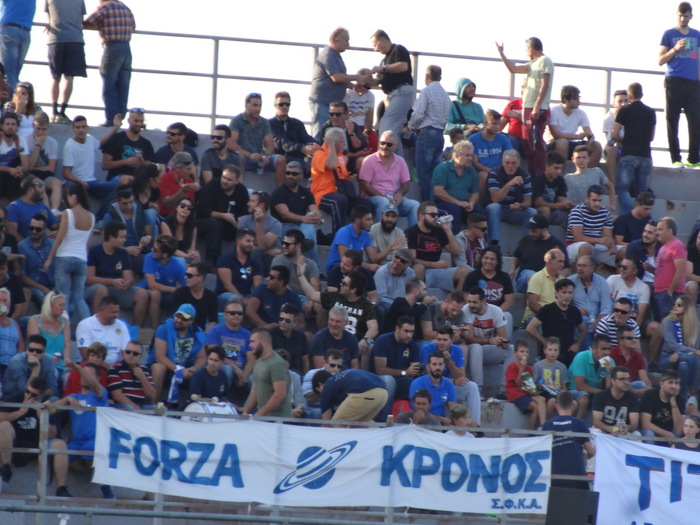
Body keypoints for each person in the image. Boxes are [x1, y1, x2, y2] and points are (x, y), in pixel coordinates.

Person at [0, 377, 73, 498]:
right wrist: (20, 412)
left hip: (36, 442)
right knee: (4, 425)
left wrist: (42, 416)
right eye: (27, 391)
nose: (28, 396)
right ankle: (6, 466)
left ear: (40, 396)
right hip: (14, 440)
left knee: (60, 445)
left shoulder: (45, 405)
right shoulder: (16, 398)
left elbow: (52, 433)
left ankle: (61, 487)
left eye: (33, 395)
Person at [50, 361, 112, 498]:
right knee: (62, 455)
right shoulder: (74, 397)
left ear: (97, 378)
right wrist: (67, 399)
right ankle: (62, 489)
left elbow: (94, 384)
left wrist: (78, 368)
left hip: (95, 440)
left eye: (88, 374)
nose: (84, 377)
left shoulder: (100, 395)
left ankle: (105, 484)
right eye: (82, 374)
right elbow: (51, 409)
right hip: (77, 443)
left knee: (89, 450)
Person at [495, 37, 554, 176]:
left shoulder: (545, 60)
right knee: (528, 144)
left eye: (527, 49)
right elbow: (513, 69)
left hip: (536, 108)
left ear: (531, 48)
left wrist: (537, 106)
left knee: (535, 144)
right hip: (527, 108)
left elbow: (545, 85)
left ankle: (539, 175)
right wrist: (501, 53)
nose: (526, 52)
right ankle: (532, 174)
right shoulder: (532, 64)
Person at [298, 264, 377, 365]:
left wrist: (365, 340)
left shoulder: (366, 305)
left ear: (353, 290)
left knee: (370, 345)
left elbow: (374, 328)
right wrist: (300, 276)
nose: (340, 284)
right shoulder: (335, 297)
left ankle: (362, 373)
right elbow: (312, 294)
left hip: (352, 344)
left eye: (344, 284)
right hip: (332, 338)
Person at [44, 183, 93, 324]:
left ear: (74, 197)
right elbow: (87, 244)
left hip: (64, 258)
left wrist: (49, 259)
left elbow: (59, 238)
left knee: (63, 297)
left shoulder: (68, 213)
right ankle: (89, 327)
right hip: (81, 260)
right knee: (79, 298)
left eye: (67, 197)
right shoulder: (91, 216)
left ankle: (63, 328)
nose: (65, 201)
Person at [659, 2, 700, 167]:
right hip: (674, 81)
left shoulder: (697, 35)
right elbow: (660, 60)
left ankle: (694, 159)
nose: (683, 19)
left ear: (691, 16)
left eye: (686, 16)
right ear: (677, 15)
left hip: (692, 83)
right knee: (672, 121)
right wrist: (675, 49)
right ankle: (676, 158)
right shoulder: (668, 34)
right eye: (681, 16)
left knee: (695, 121)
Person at [85, 220, 149, 325]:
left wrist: (127, 282)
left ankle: (135, 329)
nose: (125, 240)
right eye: (121, 237)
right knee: (101, 290)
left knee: (142, 293)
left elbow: (128, 276)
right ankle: (96, 325)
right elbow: (89, 278)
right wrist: (112, 281)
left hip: (116, 287)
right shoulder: (95, 251)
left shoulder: (123, 253)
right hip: (97, 287)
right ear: (111, 237)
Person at [83, 0, 136, 126]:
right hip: (126, 48)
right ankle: (120, 117)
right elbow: (133, 26)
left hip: (112, 47)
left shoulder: (104, 8)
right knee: (123, 86)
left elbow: (88, 22)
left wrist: (99, 27)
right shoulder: (125, 8)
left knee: (109, 84)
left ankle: (112, 119)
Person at [310, 127, 371, 231]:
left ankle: (361, 234)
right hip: (323, 195)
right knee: (339, 201)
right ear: (334, 142)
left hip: (340, 193)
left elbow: (341, 176)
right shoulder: (319, 154)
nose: (344, 144)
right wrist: (331, 146)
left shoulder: (341, 156)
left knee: (366, 204)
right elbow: (331, 165)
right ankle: (339, 235)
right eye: (342, 141)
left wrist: (348, 179)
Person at [407, 65, 452, 201]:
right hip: (439, 134)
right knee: (434, 173)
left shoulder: (426, 92)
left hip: (426, 133)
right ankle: (434, 204)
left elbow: (418, 114)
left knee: (423, 173)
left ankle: (427, 204)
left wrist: (410, 126)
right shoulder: (445, 95)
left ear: (427, 76)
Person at [419, 326, 481, 424]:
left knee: (472, 386)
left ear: (451, 340)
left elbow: (461, 375)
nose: (441, 343)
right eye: (439, 339)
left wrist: (449, 361)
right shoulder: (427, 349)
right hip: (431, 386)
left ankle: (475, 425)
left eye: (445, 340)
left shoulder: (457, 350)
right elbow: (428, 374)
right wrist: (453, 381)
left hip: (449, 387)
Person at [369, 30, 415, 157]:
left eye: (375, 45)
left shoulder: (398, 50)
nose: (375, 49)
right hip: (392, 95)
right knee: (392, 131)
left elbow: (403, 66)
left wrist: (383, 69)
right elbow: (377, 81)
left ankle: (387, 161)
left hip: (401, 91)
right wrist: (364, 80)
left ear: (382, 40)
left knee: (387, 127)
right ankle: (398, 163)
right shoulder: (384, 61)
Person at [611, 83, 656, 213]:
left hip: (628, 154)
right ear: (642, 95)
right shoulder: (651, 112)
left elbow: (614, 134)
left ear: (629, 96)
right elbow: (651, 137)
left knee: (623, 190)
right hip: (645, 155)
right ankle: (641, 217)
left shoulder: (624, 110)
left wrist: (622, 140)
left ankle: (631, 215)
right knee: (641, 193)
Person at [148, 304, 206, 402]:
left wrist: (194, 369)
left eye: (184, 319)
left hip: (186, 368)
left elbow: (202, 358)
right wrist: (179, 370)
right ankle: (153, 404)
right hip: (167, 367)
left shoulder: (197, 332)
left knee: (202, 371)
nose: (179, 320)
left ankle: (194, 406)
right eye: (178, 316)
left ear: (191, 320)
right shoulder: (163, 328)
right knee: (158, 368)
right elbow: (160, 357)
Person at [406, 201, 467, 293]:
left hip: (438, 271)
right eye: (433, 215)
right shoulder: (411, 232)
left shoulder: (439, 231)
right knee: (418, 268)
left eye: (437, 215)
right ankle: (420, 299)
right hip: (423, 271)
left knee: (465, 272)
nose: (436, 218)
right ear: (421, 216)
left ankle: (457, 299)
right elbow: (412, 259)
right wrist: (432, 264)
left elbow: (456, 252)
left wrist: (448, 230)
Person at [359, 130, 418, 225]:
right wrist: (383, 197)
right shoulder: (369, 160)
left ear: (395, 146)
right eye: (382, 143)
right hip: (373, 198)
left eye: (389, 144)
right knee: (384, 203)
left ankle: (414, 234)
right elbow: (365, 185)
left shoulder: (400, 161)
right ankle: (381, 233)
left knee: (415, 205)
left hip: (393, 197)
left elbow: (405, 184)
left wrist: (399, 194)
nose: (384, 146)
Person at [463, 286, 514, 396]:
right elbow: (469, 338)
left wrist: (502, 342)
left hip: (487, 349)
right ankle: (478, 390)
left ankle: (504, 390)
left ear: (483, 301)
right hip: (471, 350)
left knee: (512, 349)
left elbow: (503, 337)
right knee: (476, 347)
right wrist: (489, 340)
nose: (471, 305)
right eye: (469, 301)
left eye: (474, 302)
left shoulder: (496, 310)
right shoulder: (466, 310)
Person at [309, 28, 358, 140]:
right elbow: (336, 77)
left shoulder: (335, 55)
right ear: (336, 40)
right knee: (320, 134)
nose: (348, 44)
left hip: (330, 104)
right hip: (322, 101)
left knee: (330, 134)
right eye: (346, 40)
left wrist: (353, 86)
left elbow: (340, 78)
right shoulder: (328, 55)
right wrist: (357, 77)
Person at [270, 161, 322, 267]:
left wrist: (317, 218)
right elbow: (284, 214)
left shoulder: (306, 193)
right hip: (283, 226)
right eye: (288, 173)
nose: (290, 176)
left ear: (301, 176)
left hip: (301, 226)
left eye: (294, 174)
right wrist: (304, 219)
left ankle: (305, 241)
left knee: (310, 222)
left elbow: (314, 210)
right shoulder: (279, 192)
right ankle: (317, 268)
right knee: (308, 226)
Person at [229, 93, 286, 186]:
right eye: (255, 105)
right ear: (246, 105)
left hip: (260, 158)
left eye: (260, 106)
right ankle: (239, 190)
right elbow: (231, 143)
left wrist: (266, 156)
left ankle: (279, 193)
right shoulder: (237, 121)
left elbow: (270, 145)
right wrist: (249, 155)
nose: (258, 109)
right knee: (239, 157)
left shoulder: (264, 122)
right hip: (244, 158)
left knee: (281, 159)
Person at [541, 392, 594, 491]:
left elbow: (542, 451)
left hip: (554, 475)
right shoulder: (580, 423)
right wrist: (585, 453)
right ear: (573, 405)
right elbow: (591, 451)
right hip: (577, 476)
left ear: (556, 406)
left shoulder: (547, 425)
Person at [370, 316, 420, 420]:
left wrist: (416, 371)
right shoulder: (383, 341)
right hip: (379, 380)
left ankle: (415, 421)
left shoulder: (412, 345)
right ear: (397, 329)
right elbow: (380, 370)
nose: (409, 335)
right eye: (406, 331)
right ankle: (384, 421)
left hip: (402, 381)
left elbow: (414, 370)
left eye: (411, 332)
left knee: (418, 384)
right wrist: (405, 372)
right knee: (389, 381)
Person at [45, 0, 87, 124]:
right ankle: (62, 111)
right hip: (74, 39)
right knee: (69, 78)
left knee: (55, 77)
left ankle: (54, 111)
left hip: (55, 39)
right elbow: (81, 19)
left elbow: (49, 17)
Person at [431, 140, 482, 235]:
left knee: (479, 210)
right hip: (443, 204)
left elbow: (475, 193)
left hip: (464, 204)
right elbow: (438, 191)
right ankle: (455, 240)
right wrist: (458, 202)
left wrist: (471, 203)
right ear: (456, 156)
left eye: (471, 155)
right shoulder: (442, 168)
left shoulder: (471, 171)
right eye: (467, 155)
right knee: (454, 208)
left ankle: (480, 241)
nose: (470, 158)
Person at [486, 150, 537, 243]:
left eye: (513, 163)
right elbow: (495, 199)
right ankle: (493, 243)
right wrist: (510, 184)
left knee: (532, 212)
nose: (510, 166)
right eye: (507, 163)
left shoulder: (525, 175)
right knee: (494, 207)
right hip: (498, 209)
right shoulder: (494, 173)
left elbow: (528, 201)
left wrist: (520, 205)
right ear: (502, 163)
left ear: (518, 164)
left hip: (514, 210)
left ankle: (527, 244)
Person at [204, 298, 253, 394]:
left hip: (242, 371)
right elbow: (215, 356)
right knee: (227, 370)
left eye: (239, 313)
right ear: (225, 315)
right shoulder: (215, 331)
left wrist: (244, 375)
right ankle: (223, 397)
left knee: (255, 379)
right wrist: (236, 369)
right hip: (222, 368)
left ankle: (249, 404)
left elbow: (251, 359)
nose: (236, 315)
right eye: (232, 313)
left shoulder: (248, 335)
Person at [546, 85, 602, 168]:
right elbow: (556, 135)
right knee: (563, 142)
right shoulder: (554, 111)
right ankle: (561, 173)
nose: (578, 101)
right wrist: (577, 136)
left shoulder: (581, 113)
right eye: (575, 98)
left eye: (578, 98)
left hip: (572, 144)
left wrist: (590, 138)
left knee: (596, 145)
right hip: (555, 144)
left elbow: (589, 133)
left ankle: (588, 173)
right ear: (565, 99)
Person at [510, 214, 568, 293]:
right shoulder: (525, 240)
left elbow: (566, 267)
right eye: (530, 230)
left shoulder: (557, 245)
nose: (531, 234)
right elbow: (516, 256)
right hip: (525, 278)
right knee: (533, 276)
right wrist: (512, 269)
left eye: (534, 231)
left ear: (544, 230)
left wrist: (558, 281)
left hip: (546, 280)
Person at [138, 234, 186, 328]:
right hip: (145, 290)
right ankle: (155, 329)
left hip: (166, 297)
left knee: (181, 297)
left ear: (165, 255)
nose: (152, 250)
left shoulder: (178, 266)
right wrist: (175, 289)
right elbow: (152, 285)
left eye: (156, 250)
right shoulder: (149, 257)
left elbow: (187, 287)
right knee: (155, 293)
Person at [242, 327, 292, 418]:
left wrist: (259, 415)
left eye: (253, 341)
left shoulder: (277, 363)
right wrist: (245, 412)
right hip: (263, 419)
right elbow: (255, 391)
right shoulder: (257, 363)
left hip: (278, 420)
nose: (250, 345)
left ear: (264, 341)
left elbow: (280, 394)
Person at [566, 184, 619, 267]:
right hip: (575, 246)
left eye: (600, 200)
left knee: (623, 251)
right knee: (586, 247)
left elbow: (608, 236)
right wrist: (600, 240)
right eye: (594, 200)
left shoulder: (605, 213)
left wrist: (611, 245)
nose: (597, 203)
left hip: (596, 246)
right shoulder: (577, 211)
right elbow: (578, 238)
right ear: (587, 198)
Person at [100, 108, 155, 185]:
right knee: (128, 180)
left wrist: (142, 162)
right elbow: (105, 165)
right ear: (129, 120)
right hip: (117, 179)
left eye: (141, 121)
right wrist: (125, 162)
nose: (139, 124)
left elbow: (151, 165)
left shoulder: (146, 143)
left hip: (138, 179)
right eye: (136, 121)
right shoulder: (116, 138)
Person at [462, 245, 515, 326]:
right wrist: (481, 312)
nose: (488, 261)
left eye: (492, 259)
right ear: (481, 259)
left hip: (497, 312)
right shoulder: (472, 276)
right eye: (486, 258)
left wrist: (496, 312)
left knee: (507, 316)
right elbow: (466, 297)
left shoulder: (505, 277)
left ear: (497, 262)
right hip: (477, 311)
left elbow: (509, 300)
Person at [660, 294, 700, 399]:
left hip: (684, 358)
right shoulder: (667, 322)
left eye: (679, 304)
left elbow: (695, 345)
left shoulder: (696, 326)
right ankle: (691, 388)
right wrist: (688, 351)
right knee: (692, 357)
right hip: (668, 357)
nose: (675, 306)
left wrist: (680, 353)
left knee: (684, 366)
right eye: (675, 303)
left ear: (687, 307)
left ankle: (682, 398)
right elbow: (671, 344)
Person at [197, 163, 248, 245]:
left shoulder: (241, 190)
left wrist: (239, 221)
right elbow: (203, 210)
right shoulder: (212, 185)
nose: (224, 181)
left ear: (237, 181)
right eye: (223, 177)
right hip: (211, 223)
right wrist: (223, 215)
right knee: (215, 224)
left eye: (229, 180)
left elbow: (245, 211)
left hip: (232, 225)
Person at [269, 91, 319, 169]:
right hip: (280, 157)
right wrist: (301, 148)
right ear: (275, 105)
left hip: (298, 157)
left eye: (287, 104)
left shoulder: (297, 123)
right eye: (281, 104)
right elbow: (282, 143)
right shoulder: (269, 124)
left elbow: (306, 138)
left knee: (316, 155)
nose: (284, 107)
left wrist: (316, 145)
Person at [317, 368, 388, 423]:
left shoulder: (327, 387)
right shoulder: (339, 380)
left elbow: (326, 423)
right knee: (360, 425)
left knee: (337, 422)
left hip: (365, 391)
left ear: (320, 386)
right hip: (384, 393)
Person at [75, 295, 131, 365]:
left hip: (114, 367)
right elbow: (85, 354)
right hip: (89, 365)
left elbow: (126, 352)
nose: (117, 315)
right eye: (113, 312)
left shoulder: (121, 325)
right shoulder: (85, 324)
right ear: (102, 311)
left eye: (117, 312)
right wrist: (108, 367)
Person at [25, 291, 70, 378]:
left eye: (64, 305)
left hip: (60, 363)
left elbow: (67, 345)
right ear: (50, 305)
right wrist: (49, 359)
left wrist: (67, 360)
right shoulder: (34, 320)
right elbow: (36, 346)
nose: (63, 308)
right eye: (60, 305)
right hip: (41, 363)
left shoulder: (65, 322)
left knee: (69, 377)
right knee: (54, 373)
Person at [567, 333, 615, 415]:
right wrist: (602, 393)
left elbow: (609, 389)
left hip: (594, 392)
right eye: (603, 349)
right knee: (584, 398)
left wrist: (610, 373)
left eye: (609, 349)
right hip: (574, 391)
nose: (607, 352)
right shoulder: (581, 357)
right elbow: (580, 386)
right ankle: (578, 422)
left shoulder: (610, 362)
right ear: (594, 349)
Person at [2, 334, 58, 402]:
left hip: (38, 396)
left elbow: (53, 389)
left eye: (38, 351)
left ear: (44, 352)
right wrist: (36, 369)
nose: (34, 353)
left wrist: (38, 394)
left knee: (54, 400)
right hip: (14, 396)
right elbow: (25, 390)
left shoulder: (48, 360)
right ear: (27, 349)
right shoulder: (16, 361)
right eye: (31, 350)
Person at [215, 228, 262, 310]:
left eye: (253, 242)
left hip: (247, 295)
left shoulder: (255, 263)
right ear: (238, 241)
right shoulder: (225, 259)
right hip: (225, 295)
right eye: (248, 241)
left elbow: (258, 287)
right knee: (234, 299)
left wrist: (254, 300)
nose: (251, 244)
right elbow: (227, 284)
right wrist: (241, 299)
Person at [505, 341, 547, 430]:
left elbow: (528, 385)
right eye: (522, 351)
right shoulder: (512, 366)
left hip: (525, 392)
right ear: (515, 353)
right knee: (536, 407)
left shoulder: (529, 368)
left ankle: (543, 426)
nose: (525, 354)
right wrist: (521, 369)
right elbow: (518, 383)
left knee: (542, 399)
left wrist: (534, 389)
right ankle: (530, 432)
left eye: (527, 352)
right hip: (515, 394)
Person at [569, 254, 612, 340]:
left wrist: (599, 320)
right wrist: (576, 311)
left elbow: (606, 306)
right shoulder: (570, 281)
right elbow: (565, 304)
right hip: (577, 319)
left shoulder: (602, 282)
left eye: (584, 266)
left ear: (592, 268)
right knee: (584, 320)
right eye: (578, 265)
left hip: (597, 318)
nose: (580, 268)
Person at [640, 369, 685, 446]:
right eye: (670, 382)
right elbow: (645, 424)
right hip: (652, 432)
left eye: (676, 383)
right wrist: (666, 434)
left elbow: (679, 430)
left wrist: (674, 405)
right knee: (649, 434)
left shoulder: (680, 399)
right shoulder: (650, 395)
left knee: (677, 436)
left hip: (670, 434)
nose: (674, 386)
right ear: (661, 384)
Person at [18, 214, 55, 307]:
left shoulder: (52, 244)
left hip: (52, 284)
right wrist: (43, 288)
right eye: (31, 228)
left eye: (38, 229)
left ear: (45, 230)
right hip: (34, 285)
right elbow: (22, 276)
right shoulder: (22, 246)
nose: (34, 231)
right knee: (43, 298)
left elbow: (59, 266)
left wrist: (58, 285)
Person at [592, 366, 640, 436]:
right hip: (604, 430)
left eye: (628, 379)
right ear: (613, 381)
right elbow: (596, 422)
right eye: (622, 379)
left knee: (637, 434)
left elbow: (634, 423)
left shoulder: (632, 397)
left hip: (622, 431)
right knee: (595, 432)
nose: (626, 382)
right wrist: (610, 429)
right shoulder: (601, 396)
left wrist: (628, 428)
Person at [521, 248, 566, 323]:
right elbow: (532, 303)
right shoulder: (536, 277)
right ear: (549, 261)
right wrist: (549, 316)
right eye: (560, 261)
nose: (563, 265)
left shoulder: (563, 280)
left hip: (556, 317)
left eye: (563, 261)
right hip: (536, 316)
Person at [655, 217, 688, 320]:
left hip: (671, 294)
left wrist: (670, 291)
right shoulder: (662, 248)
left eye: (660, 229)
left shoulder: (677, 245)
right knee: (662, 325)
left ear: (669, 231)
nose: (657, 233)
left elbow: (680, 270)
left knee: (670, 325)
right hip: (660, 293)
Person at [107, 341, 156, 409]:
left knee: (162, 409)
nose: (131, 355)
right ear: (124, 353)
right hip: (121, 406)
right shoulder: (115, 368)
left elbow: (152, 396)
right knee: (129, 407)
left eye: (135, 353)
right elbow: (117, 396)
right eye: (128, 352)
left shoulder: (145, 370)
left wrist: (142, 378)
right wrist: (136, 409)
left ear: (140, 357)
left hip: (141, 406)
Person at [309, 306, 360, 370]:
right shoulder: (319, 338)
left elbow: (355, 368)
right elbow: (320, 369)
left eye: (338, 321)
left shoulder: (352, 339)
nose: (333, 324)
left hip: (347, 374)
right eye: (331, 320)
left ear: (346, 322)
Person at [172, 261, 217, 332]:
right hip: (181, 330)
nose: (185, 277)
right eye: (185, 274)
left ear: (200, 278)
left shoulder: (211, 297)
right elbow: (176, 318)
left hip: (200, 333)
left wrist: (203, 336)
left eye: (189, 275)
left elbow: (213, 321)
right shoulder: (180, 293)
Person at [531, 150, 573, 227]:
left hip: (554, 212)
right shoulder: (539, 179)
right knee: (545, 210)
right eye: (556, 168)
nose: (559, 171)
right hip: (537, 212)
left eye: (561, 168)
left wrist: (567, 205)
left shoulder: (560, 180)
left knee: (571, 213)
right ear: (547, 166)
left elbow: (561, 200)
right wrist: (559, 205)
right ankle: (543, 231)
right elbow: (538, 203)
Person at [0, 1, 35, 92]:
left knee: (9, 73)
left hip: (9, 28)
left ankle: (13, 99)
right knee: (14, 73)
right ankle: (15, 95)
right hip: (26, 31)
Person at [532, 337, 571, 418]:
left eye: (555, 350)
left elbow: (564, 387)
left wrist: (562, 392)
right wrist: (539, 385)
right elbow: (533, 385)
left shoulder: (562, 367)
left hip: (557, 393)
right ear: (544, 350)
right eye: (550, 350)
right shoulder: (538, 366)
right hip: (543, 393)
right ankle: (548, 423)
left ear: (559, 351)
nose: (553, 352)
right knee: (552, 401)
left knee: (573, 403)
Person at [610, 325, 652, 397]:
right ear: (620, 341)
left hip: (631, 386)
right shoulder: (612, 355)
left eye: (635, 338)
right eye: (629, 338)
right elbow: (616, 381)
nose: (634, 340)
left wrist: (649, 389)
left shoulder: (638, 356)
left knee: (642, 385)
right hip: (616, 388)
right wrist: (635, 391)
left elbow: (644, 378)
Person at [270, 303, 309, 375]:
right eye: (281, 319)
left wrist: (304, 378)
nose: (283, 322)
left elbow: (305, 362)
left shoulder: (301, 336)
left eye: (287, 321)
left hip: (296, 375)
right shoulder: (270, 334)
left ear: (295, 323)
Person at [160, 196, 200, 261]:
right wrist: (187, 256)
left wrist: (193, 255)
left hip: (185, 256)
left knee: (197, 259)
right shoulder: (166, 223)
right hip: (169, 255)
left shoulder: (193, 226)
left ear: (191, 211)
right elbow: (170, 248)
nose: (186, 208)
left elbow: (191, 249)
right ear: (177, 207)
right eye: (182, 205)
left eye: (189, 207)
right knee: (182, 260)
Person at [0, 112, 29, 200]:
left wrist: (21, 169)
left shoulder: (20, 141)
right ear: (1, 126)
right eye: (7, 124)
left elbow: (26, 164)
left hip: (14, 175)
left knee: (35, 183)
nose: (10, 127)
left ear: (17, 127)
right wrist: (9, 170)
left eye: (13, 124)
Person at [0, 287, 22, 376]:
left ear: (9, 304)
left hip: (12, 364)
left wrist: (18, 361)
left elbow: (20, 344)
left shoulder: (14, 323)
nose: (2, 303)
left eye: (5, 301)